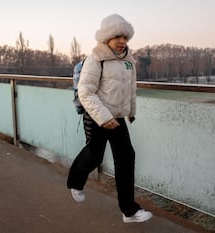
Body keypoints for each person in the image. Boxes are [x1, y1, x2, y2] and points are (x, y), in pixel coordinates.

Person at [67, 14, 153, 223]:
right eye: (117, 36)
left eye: (125, 36)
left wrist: (130, 111)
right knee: (95, 155)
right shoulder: (96, 58)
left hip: (115, 117)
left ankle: (129, 211)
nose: (122, 41)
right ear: (106, 37)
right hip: (96, 115)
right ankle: (75, 182)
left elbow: (129, 89)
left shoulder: (127, 60)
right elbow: (85, 93)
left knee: (126, 157)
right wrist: (104, 118)